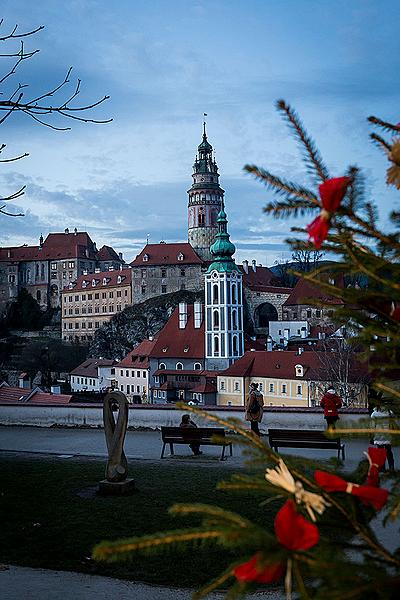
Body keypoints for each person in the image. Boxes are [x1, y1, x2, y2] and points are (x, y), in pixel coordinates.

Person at [371, 405, 395, 471]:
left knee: (380, 452)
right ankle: (391, 466)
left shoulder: (374, 414)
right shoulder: (390, 413)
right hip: (387, 434)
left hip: (379, 434)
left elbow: (373, 426)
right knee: (389, 451)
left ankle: (382, 467)